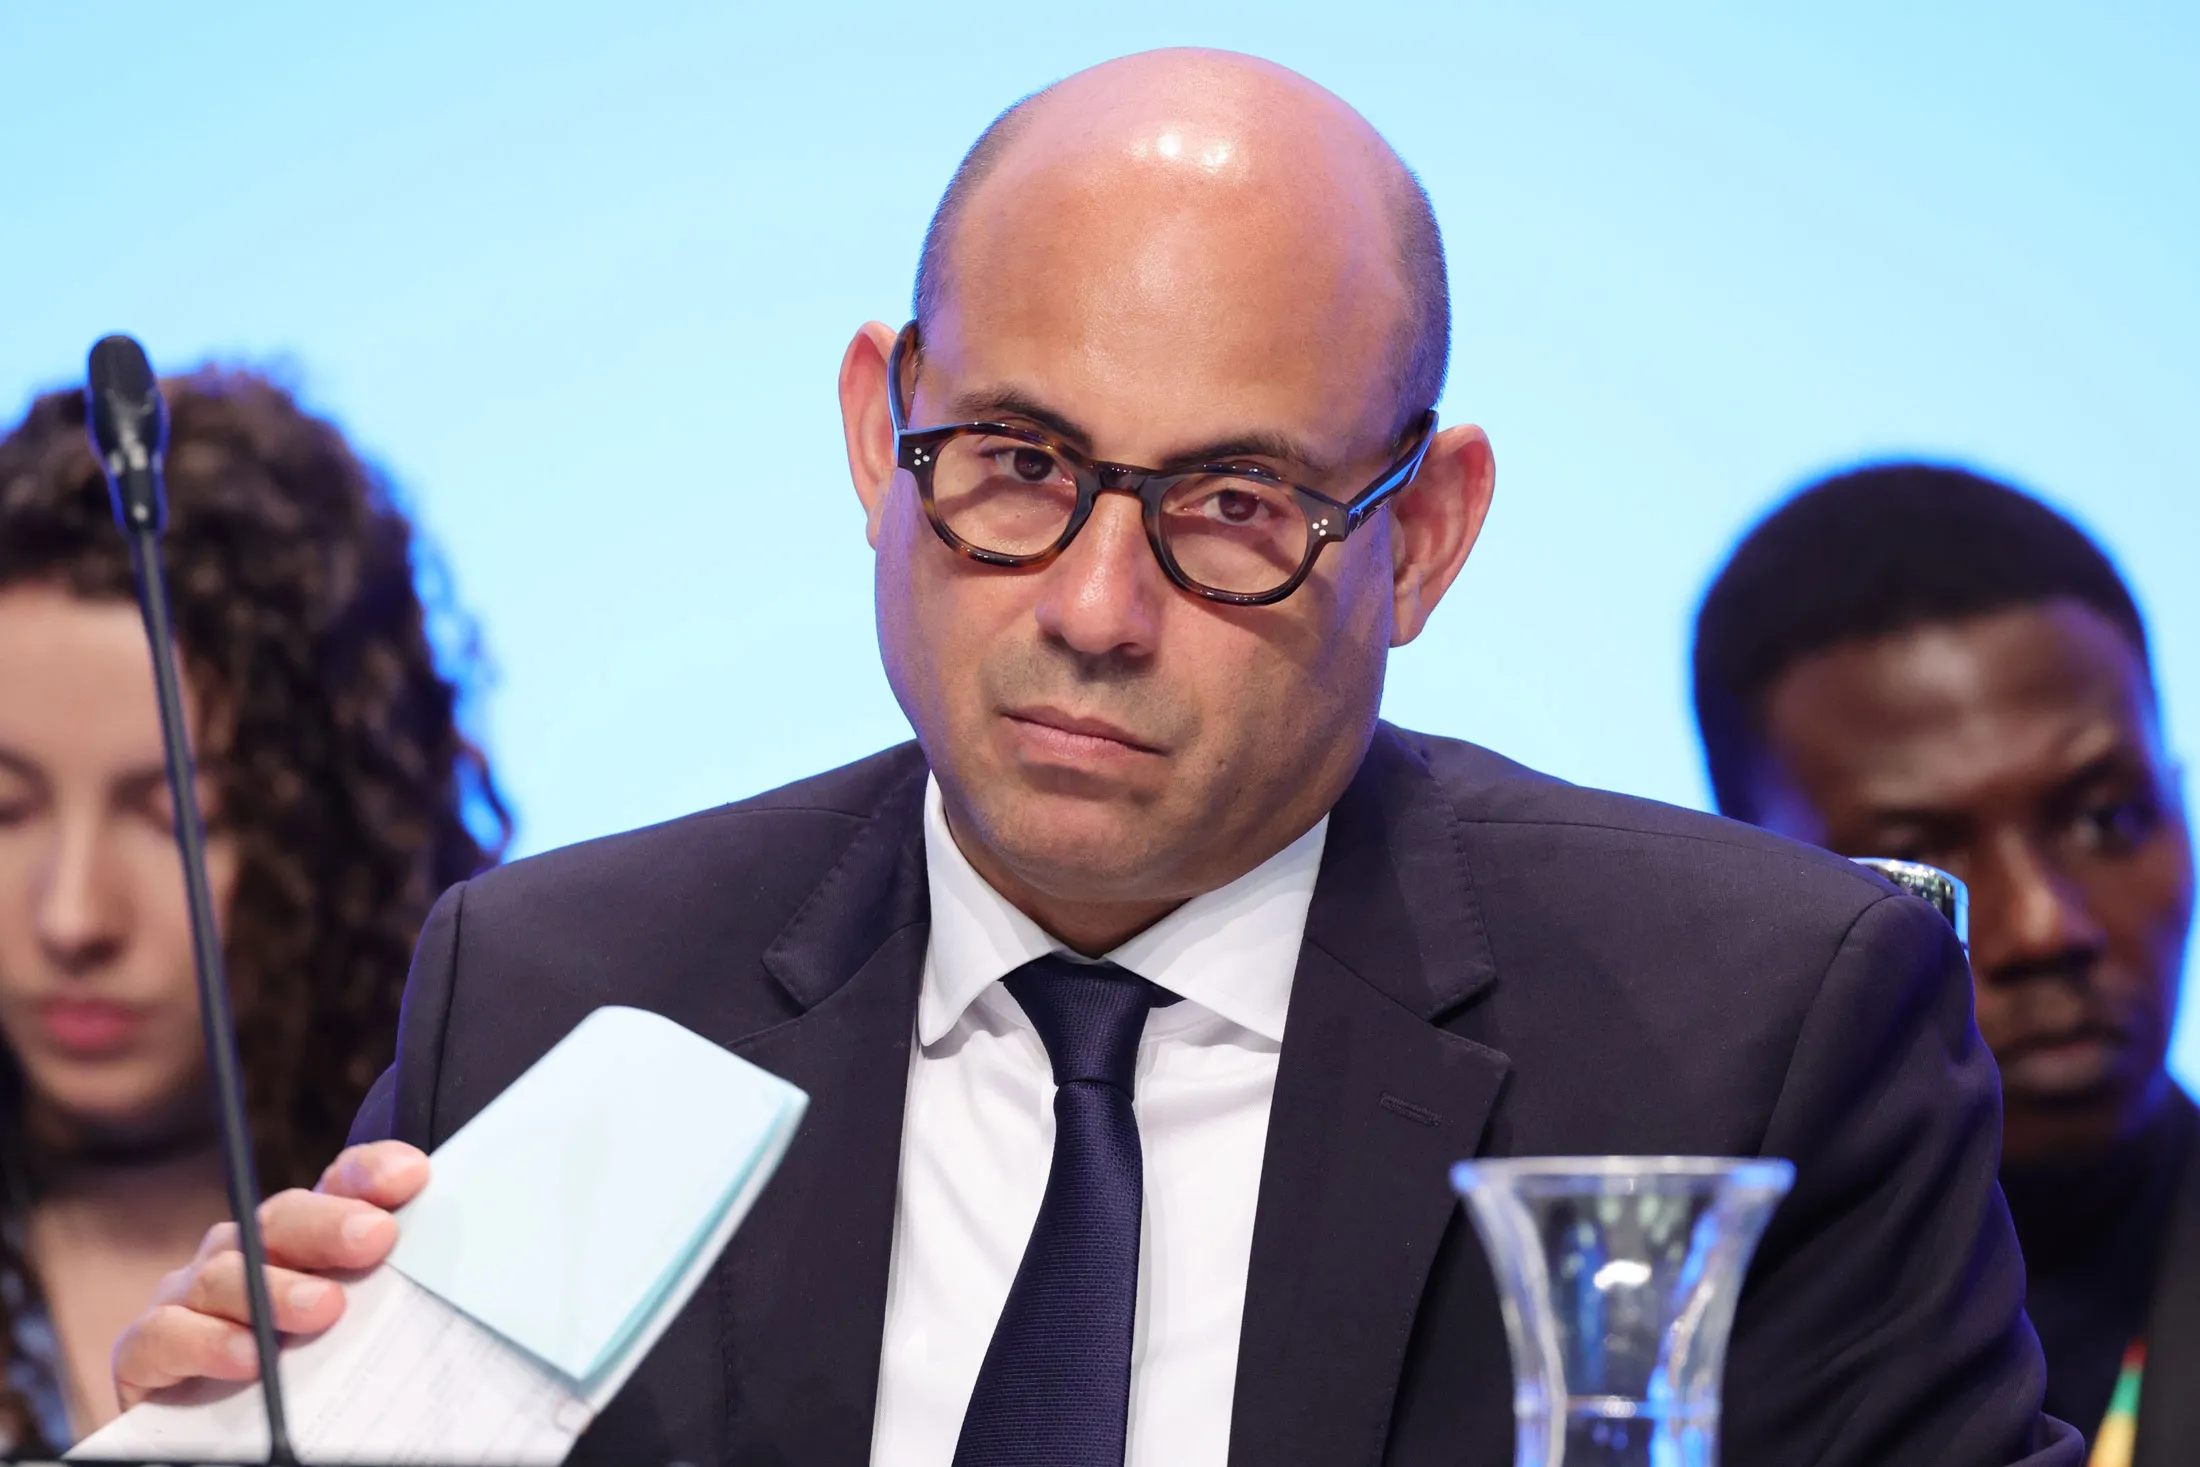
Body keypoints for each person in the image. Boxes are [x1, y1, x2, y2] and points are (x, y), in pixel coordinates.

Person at [114, 51, 2080, 1467]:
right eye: (1018, 463)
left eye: (1232, 503)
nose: (1093, 605)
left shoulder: (1751, 1032)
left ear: (1418, 536)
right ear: (877, 430)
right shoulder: (560, 990)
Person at [0, 367, 510, 1451]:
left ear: (341, 828)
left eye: (179, 818)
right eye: (6, 809)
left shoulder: (502, 1243)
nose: (74, 918)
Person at [1692, 462, 2195, 1467]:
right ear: (1752, 888)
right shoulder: (1646, 1338)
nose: (2045, 927)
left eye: (2107, 817)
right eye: (1920, 863)